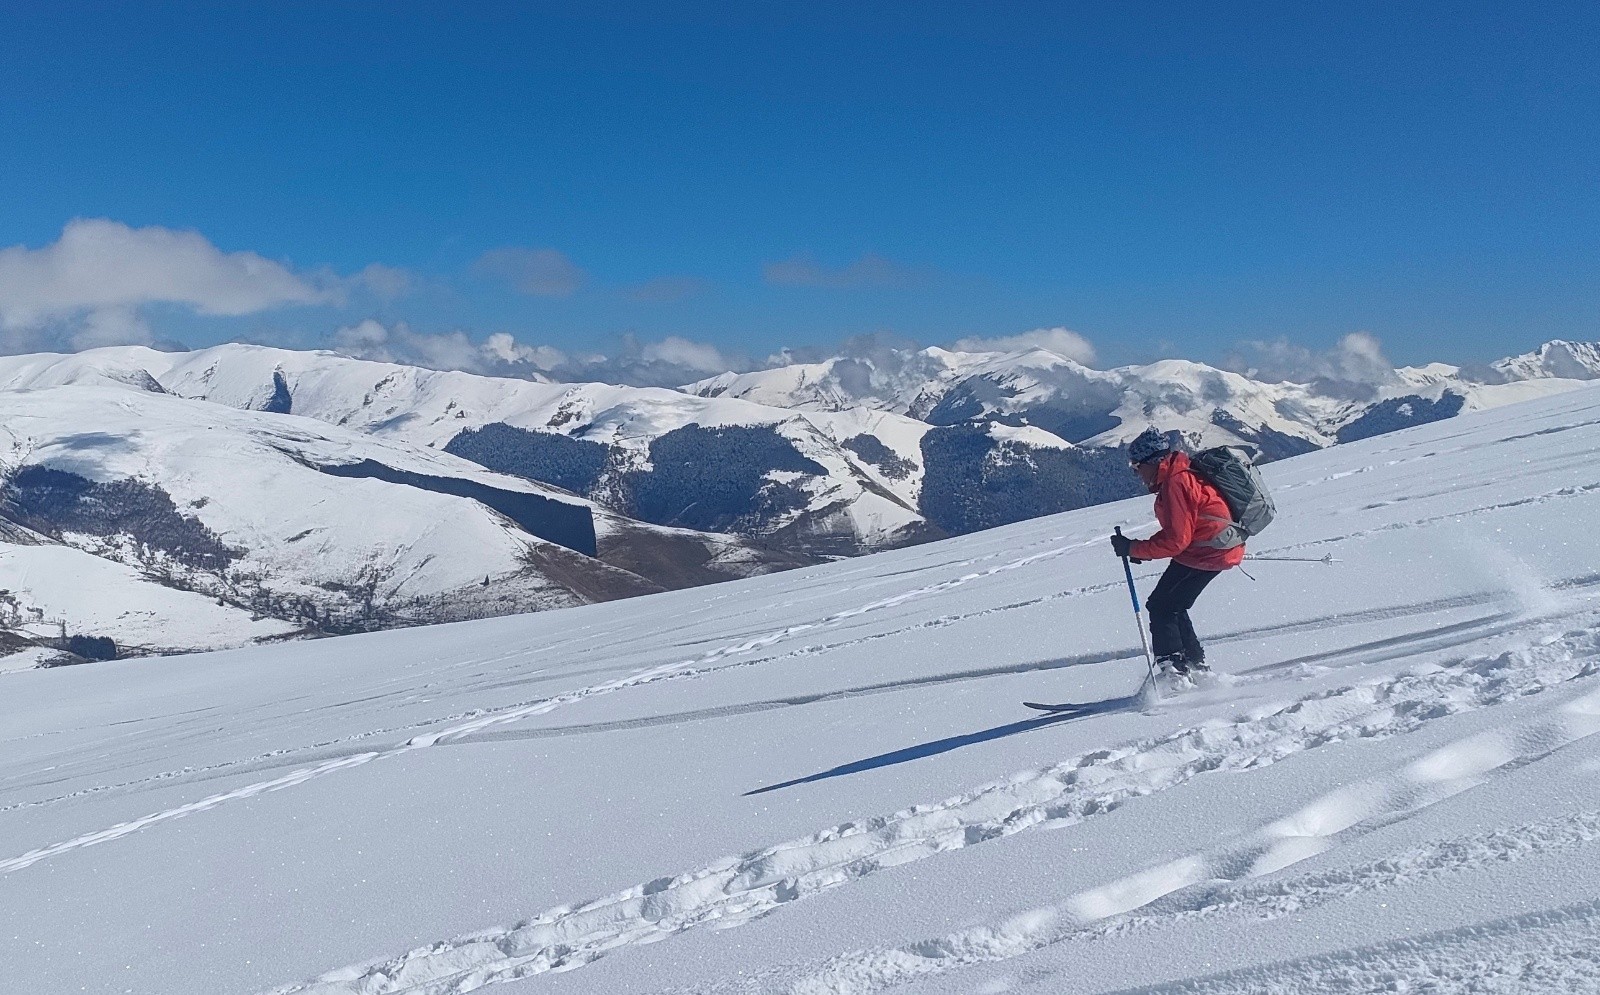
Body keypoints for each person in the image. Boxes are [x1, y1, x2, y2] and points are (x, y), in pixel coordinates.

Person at [1109, 427, 1245, 676]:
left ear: (1153, 461)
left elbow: (1176, 541)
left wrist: (1133, 547)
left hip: (1206, 553)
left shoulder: (1176, 483)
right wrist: (1139, 550)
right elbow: (1180, 529)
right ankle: (1195, 664)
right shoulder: (1180, 473)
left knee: (1161, 606)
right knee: (1173, 605)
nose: (1136, 472)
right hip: (1213, 549)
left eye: (1137, 465)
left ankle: (1174, 671)